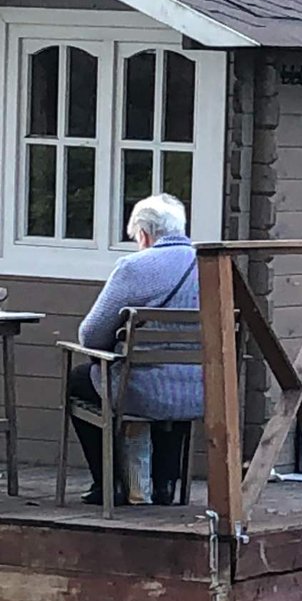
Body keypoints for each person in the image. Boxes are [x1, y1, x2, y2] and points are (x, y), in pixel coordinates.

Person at [70, 194, 199, 506]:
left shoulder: (135, 267)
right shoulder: (211, 265)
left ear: (144, 234)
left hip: (140, 390)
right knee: (177, 382)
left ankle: (109, 484)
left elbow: (90, 334)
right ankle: (166, 484)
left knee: (78, 380)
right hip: (202, 389)